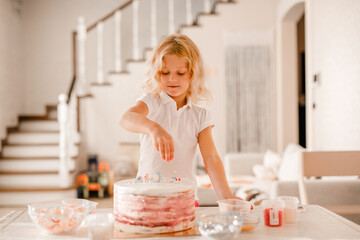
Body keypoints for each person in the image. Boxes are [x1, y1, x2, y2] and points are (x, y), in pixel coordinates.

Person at [120, 33, 241, 202]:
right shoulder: (152, 102)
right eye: (165, 72)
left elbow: (211, 157)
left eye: (180, 73)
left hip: (184, 200)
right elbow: (126, 118)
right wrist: (154, 128)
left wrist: (226, 196)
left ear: (192, 74)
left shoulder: (200, 116)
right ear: (157, 73)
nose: (172, 79)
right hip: (148, 197)